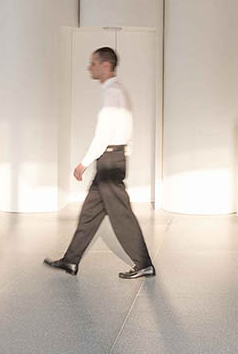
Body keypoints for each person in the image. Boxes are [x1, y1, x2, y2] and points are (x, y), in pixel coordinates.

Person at [44, 46, 155, 279]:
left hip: (109, 159)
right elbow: (127, 126)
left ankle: (144, 263)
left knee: (121, 215)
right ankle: (71, 260)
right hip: (114, 156)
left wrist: (84, 163)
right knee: (89, 213)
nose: (89, 67)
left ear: (106, 65)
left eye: (93, 63)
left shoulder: (111, 93)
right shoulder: (119, 91)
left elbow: (104, 134)